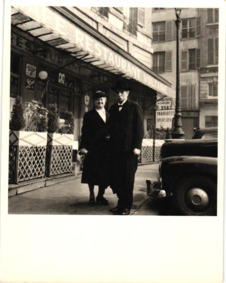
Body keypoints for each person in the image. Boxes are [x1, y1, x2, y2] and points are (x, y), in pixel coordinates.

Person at [108, 80, 144, 215]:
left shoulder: (134, 107)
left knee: (127, 179)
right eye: (117, 92)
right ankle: (120, 203)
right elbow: (110, 128)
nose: (119, 94)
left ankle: (126, 206)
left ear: (127, 93)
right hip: (115, 151)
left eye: (122, 92)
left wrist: (137, 147)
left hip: (129, 151)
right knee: (117, 178)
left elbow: (140, 130)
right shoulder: (112, 109)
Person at [79, 90, 110, 206]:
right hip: (92, 148)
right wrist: (83, 147)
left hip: (106, 149)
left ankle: (100, 196)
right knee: (91, 173)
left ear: (105, 101)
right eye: (97, 99)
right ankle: (91, 195)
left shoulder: (109, 115)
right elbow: (85, 132)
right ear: (94, 101)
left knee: (104, 173)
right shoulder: (89, 115)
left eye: (102, 99)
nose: (100, 101)